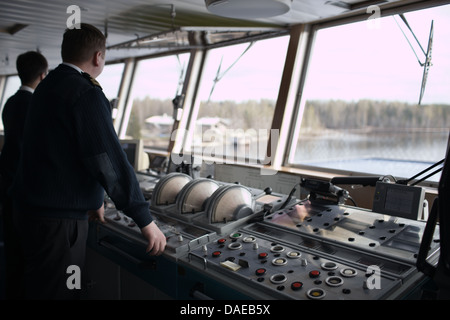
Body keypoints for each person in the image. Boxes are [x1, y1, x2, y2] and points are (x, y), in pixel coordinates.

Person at [10, 23, 166, 300]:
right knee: (60, 293)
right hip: (59, 222)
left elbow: (62, 151)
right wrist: (144, 219)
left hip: (30, 211)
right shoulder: (85, 93)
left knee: (35, 286)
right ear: (98, 57)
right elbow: (107, 160)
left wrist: (94, 201)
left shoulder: (47, 87)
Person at [0, 51, 48, 299]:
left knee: (13, 255)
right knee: (31, 260)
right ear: (43, 75)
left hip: (8, 185)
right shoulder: (35, 106)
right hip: (28, 192)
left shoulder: (9, 102)